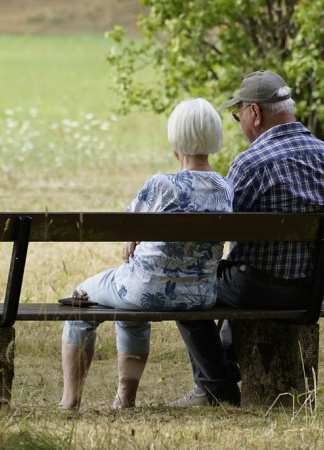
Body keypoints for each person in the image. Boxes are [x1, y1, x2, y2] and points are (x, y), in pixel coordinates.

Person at [168, 70, 324, 407]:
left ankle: (217, 388)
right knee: (239, 273)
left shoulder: (251, 162)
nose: (240, 123)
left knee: (185, 285)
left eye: (238, 116)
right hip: (311, 289)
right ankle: (223, 372)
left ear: (255, 113)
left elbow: (219, 231)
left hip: (259, 289)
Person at [59, 98, 234, 411]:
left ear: (175, 140)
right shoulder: (225, 187)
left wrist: (133, 236)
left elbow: (124, 226)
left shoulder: (162, 185)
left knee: (80, 298)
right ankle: (124, 400)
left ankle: (70, 402)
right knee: (129, 306)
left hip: (144, 290)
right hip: (199, 296)